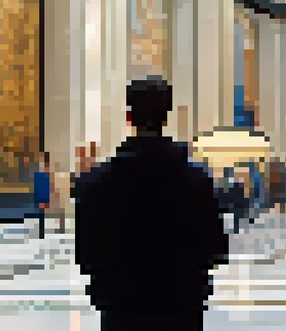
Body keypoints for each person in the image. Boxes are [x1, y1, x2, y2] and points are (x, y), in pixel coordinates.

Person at [74, 76, 229, 331]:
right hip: (180, 308)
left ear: (129, 117)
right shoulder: (197, 182)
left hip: (122, 310)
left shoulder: (98, 183)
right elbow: (215, 250)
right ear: (166, 117)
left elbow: (87, 255)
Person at [33, 151, 53, 239]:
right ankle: (41, 232)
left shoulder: (45, 173)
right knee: (41, 213)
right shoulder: (41, 172)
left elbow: (47, 185)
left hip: (43, 193)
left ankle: (42, 232)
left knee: (42, 213)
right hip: (42, 193)